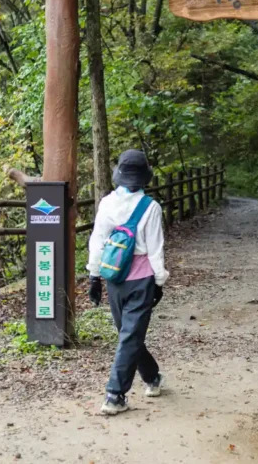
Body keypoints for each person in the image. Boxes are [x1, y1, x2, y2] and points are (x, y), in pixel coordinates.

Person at [87, 149, 168, 415]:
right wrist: (159, 281)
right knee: (130, 335)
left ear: (120, 174)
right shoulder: (151, 207)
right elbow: (155, 248)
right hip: (142, 279)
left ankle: (140, 382)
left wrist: (94, 275)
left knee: (129, 334)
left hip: (113, 277)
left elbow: (97, 240)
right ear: (144, 176)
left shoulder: (107, 203)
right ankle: (115, 396)